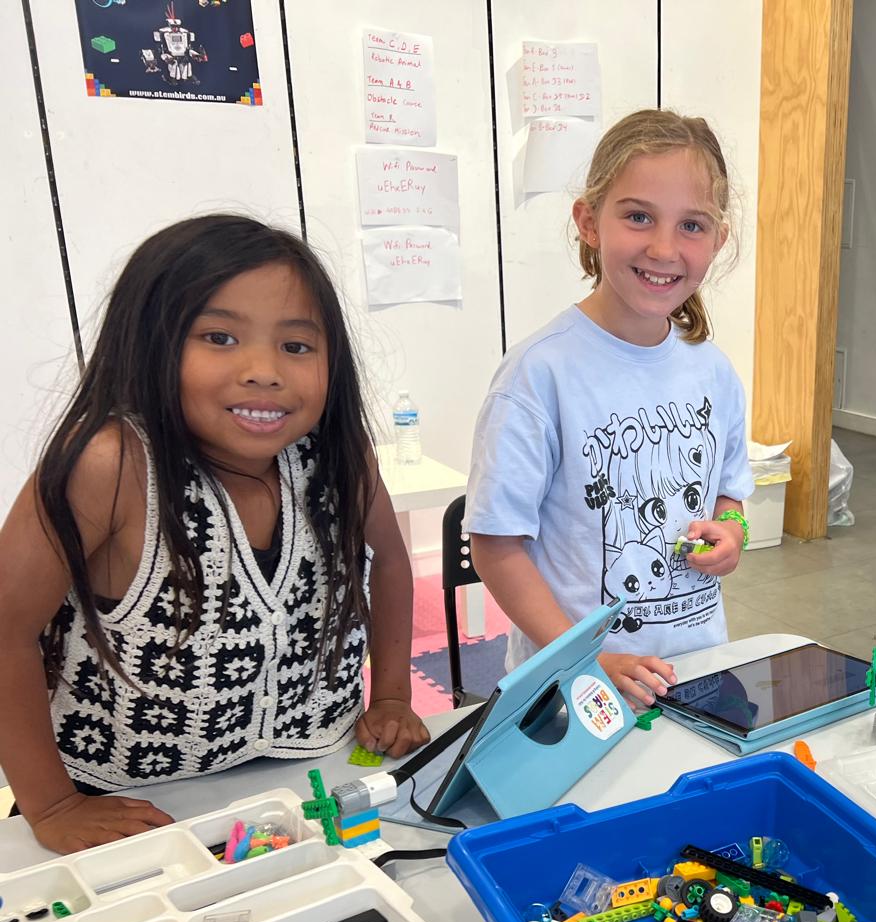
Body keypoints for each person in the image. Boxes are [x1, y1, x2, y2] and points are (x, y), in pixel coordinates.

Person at [0, 215, 429, 853]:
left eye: (297, 346)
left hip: (314, 770)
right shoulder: (110, 464)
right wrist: (53, 804)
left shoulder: (338, 452)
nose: (264, 371)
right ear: (149, 345)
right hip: (138, 800)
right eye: (219, 337)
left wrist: (392, 692)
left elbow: (389, 562)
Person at [467, 109, 754, 709]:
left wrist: (731, 532)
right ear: (589, 222)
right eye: (638, 216)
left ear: (718, 241)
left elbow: (730, 496)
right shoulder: (538, 375)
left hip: (695, 670)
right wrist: (583, 657)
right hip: (572, 683)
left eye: (692, 225)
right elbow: (496, 545)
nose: (664, 247)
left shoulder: (714, 372)